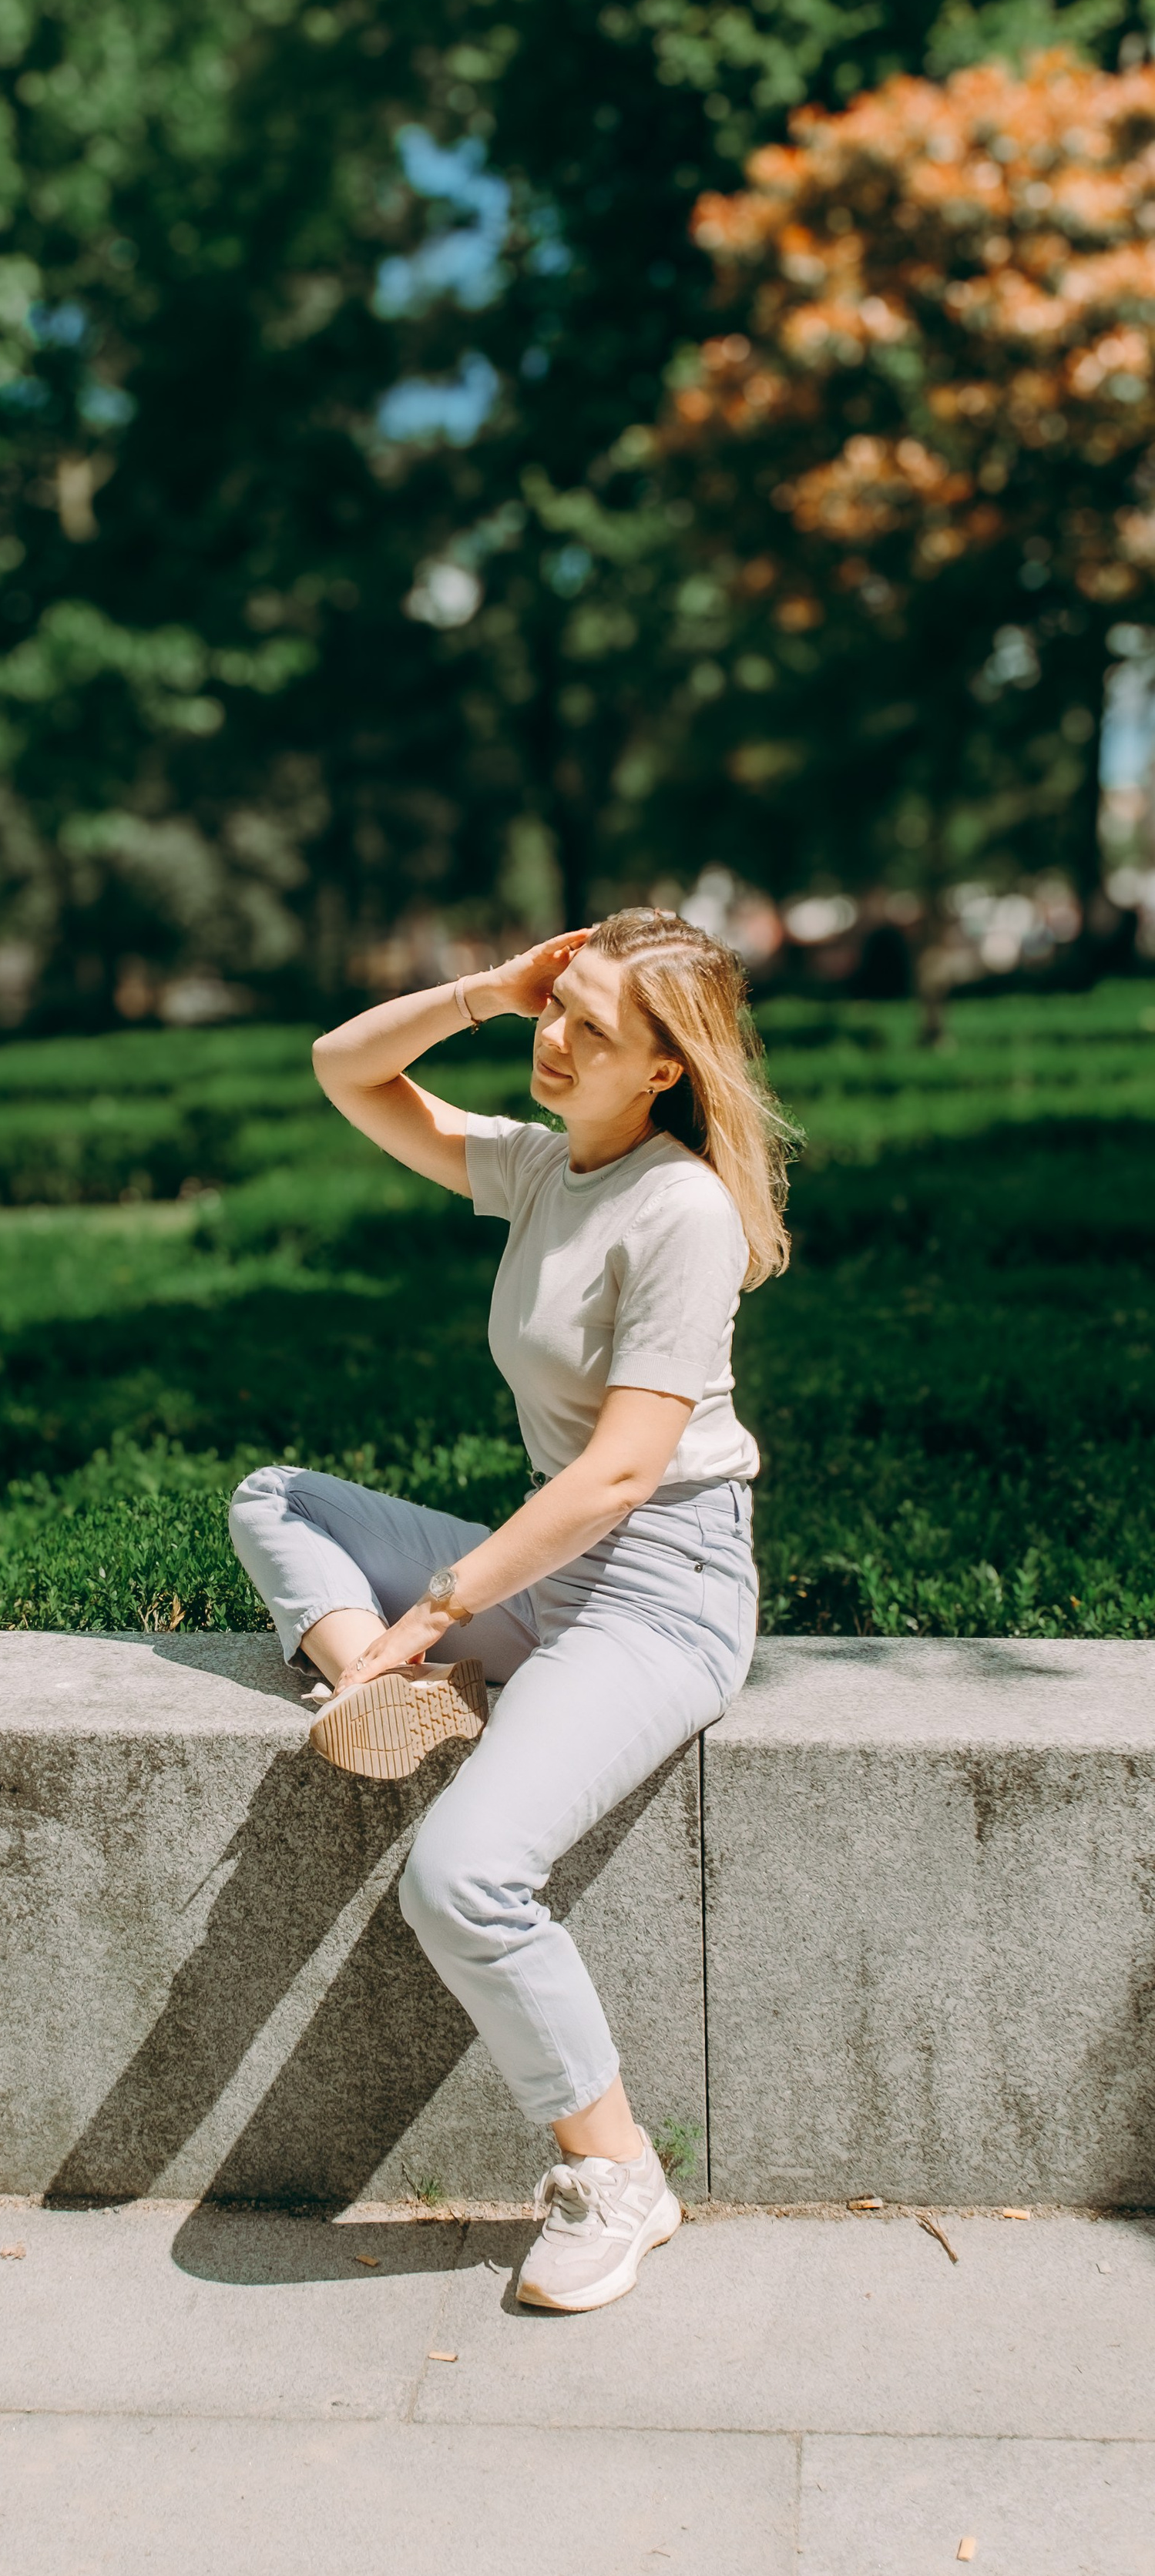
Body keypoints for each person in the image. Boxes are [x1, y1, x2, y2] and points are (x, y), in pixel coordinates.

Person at [229, 908, 792, 2313]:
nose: (554, 1042)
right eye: (557, 1010)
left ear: (666, 1069)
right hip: (552, 1573)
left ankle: (618, 2176)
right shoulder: (546, 1163)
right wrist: (490, 985)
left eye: (590, 1031)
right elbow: (344, 1068)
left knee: (463, 1878)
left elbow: (617, 1473)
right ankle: (382, 1692)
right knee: (273, 1499)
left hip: (660, 1591)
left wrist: (445, 1605)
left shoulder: (682, 1211)